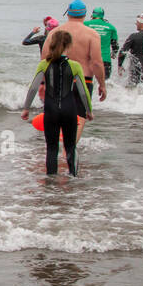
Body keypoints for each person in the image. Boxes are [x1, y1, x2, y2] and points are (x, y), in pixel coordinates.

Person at [21, 30, 93, 178]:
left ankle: (51, 184)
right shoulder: (75, 65)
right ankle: (73, 178)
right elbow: (83, 91)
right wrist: (88, 110)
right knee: (70, 147)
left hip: (51, 110)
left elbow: (34, 87)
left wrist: (26, 109)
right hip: (69, 110)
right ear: (69, 46)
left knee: (52, 148)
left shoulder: (44, 64)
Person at [50, 0, 108, 128]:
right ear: (85, 15)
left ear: (68, 13)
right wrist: (102, 84)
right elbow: (96, 63)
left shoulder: (54, 32)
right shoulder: (92, 34)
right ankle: (68, 147)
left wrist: (43, 83)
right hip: (83, 81)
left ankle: (58, 144)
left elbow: (44, 59)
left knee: (57, 115)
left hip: (58, 80)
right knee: (79, 118)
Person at [84, 7, 120, 79]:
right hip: (105, 59)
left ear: (92, 15)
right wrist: (114, 53)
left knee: (87, 82)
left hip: (89, 59)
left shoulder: (85, 24)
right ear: (103, 15)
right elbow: (115, 45)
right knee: (105, 82)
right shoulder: (111, 27)